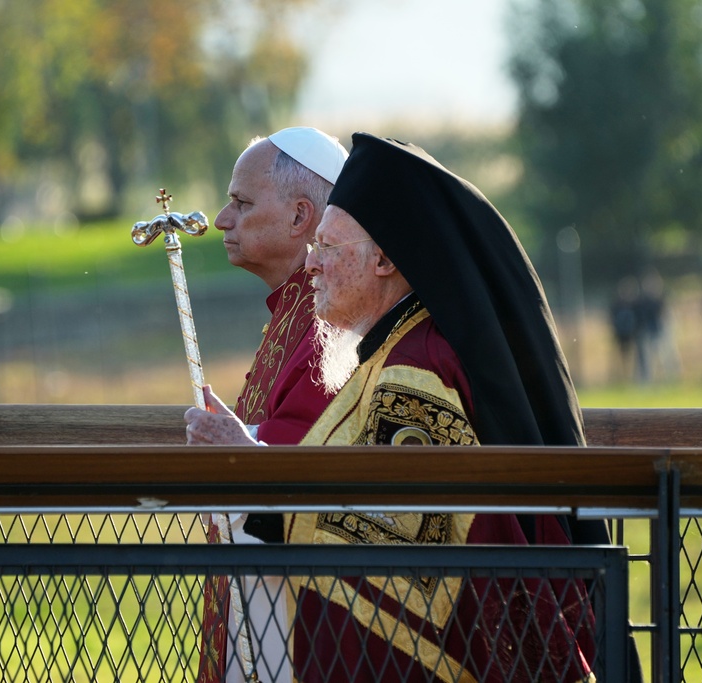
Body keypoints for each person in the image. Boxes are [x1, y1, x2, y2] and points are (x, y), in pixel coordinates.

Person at [186, 133, 612, 682]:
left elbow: (410, 532)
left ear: (383, 258)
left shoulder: (415, 370)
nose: (311, 267)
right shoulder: (395, 347)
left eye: (328, 249)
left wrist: (257, 481)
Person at [198, 127, 348, 683]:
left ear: (299, 217)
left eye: (241, 203)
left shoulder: (332, 321)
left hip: (302, 617)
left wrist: (242, 444)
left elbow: (318, 448)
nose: (221, 219)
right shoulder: (293, 309)